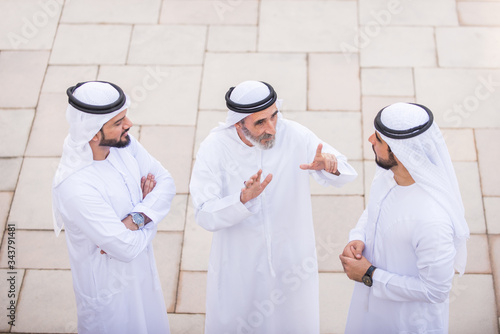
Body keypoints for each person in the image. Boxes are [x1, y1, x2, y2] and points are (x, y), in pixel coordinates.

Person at [189, 80, 358, 334]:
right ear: (238, 123)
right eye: (260, 122)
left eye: (274, 116)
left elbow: (345, 171)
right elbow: (204, 213)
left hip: (292, 260)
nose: (272, 128)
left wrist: (329, 165)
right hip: (240, 262)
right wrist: (242, 199)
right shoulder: (214, 149)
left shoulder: (295, 135)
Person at [52, 81, 176, 334]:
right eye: (118, 122)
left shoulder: (124, 143)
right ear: (94, 133)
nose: (128, 125)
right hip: (108, 291)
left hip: (142, 273)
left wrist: (136, 219)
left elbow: (167, 183)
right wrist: (149, 212)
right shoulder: (75, 187)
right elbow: (125, 248)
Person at [339, 102, 470, 333]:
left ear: (399, 152)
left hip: (405, 322)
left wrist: (370, 275)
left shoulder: (432, 221)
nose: (370, 139)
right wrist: (358, 236)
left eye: (378, 139)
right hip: (369, 307)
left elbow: (435, 291)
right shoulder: (389, 174)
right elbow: (374, 208)